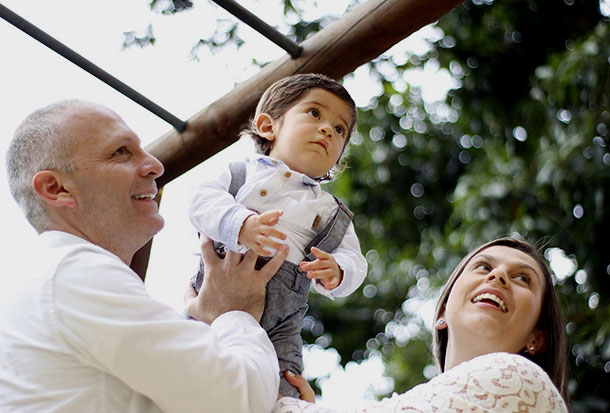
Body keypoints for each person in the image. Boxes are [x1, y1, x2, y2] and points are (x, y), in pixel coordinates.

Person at [0, 99, 288, 413]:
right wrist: (235, 313)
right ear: (57, 188)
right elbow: (237, 401)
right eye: (121, 151)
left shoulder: (52, 284)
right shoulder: (76, 272)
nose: (155, 165)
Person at [188, 73, 368, 397]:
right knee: (188, 361)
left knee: (284, 384)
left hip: (282, 322)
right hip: (212, 297)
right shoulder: (240, 173)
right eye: (314, 113)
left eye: (340, 129)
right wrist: (239, 223)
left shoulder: (328, 208)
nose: (328, 128)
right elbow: (201, 203)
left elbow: (355, 259)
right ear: (269, 126)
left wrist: (339, 271)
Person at [273, 237, 570, 412]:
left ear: (538, 338)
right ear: (442, 312)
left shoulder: (523, 380)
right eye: (483, 267)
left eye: (523, 278)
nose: (498, 277)